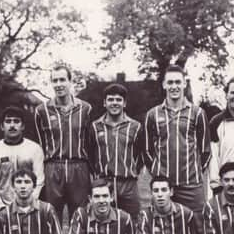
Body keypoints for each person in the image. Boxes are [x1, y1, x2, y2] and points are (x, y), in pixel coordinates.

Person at [143, 65, 210, 217]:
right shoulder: (152, 114)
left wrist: (196, 173)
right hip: (163, 186)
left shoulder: (198, 113)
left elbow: (205, 150)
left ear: (184, 84)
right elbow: (146, 151)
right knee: (162, 228)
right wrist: (157, 174)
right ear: (164, 84)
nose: (174, 86)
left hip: (191, 185)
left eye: (178, 82)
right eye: (170, 82)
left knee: (198, 227)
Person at [34, 64, 92, 220]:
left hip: (79, 167)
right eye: (55, 80)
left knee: (80, 214)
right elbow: (40, 142)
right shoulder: (41, 110)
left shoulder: (85, 108)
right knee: (51, 214)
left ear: (70, 81)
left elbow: (90, 142)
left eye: (62, 80)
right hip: (53, 167)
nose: (58, 84)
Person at [89, 83, 145, 219]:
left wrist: (131, 171)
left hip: (128, 184)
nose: (115, 103)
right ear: (104, 103)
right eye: (111, 99)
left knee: (133, 222)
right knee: (105, 222)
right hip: (104, 183)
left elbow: (141, 154)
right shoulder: (95, 127)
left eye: (118, 100)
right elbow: (90, 155)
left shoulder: (135, 127)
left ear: (124, 103)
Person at [0, 106, 45, 224]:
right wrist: (2, 209)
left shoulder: (34, 149)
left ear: (23, 126)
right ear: (2, 126)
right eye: (8, 121)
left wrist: (28, 205)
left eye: (16, 121)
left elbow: (39, 181)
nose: (12, 125)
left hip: (28, 208)